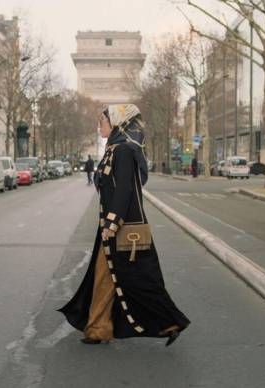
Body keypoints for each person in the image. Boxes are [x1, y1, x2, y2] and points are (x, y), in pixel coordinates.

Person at [58, 104, 190, 347]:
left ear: (117, 124)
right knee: (113, 278)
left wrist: (112, 222)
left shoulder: (124, 151)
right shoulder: (114, 149)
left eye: (103, 122)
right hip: (111, 225)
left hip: (122, 227)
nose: (99, 126)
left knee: (135, 279)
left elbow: (125, 189)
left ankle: (167, 323)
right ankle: (99, 328)